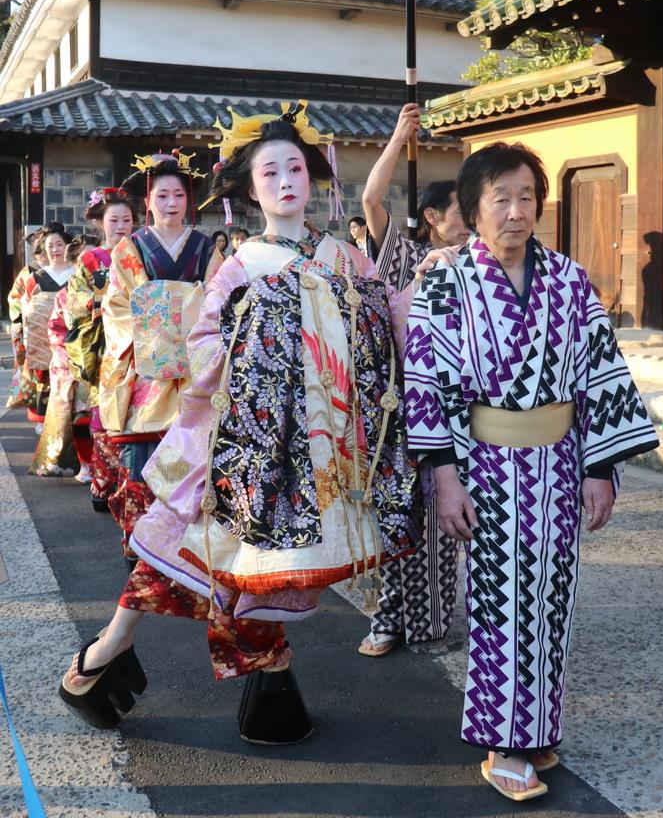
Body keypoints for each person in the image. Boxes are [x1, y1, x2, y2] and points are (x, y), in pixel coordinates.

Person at [59, 103, 436, 741]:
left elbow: (389, 320)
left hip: (318, 442)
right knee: (210, 548)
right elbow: (201, 342)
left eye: (296, 168)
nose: (286, 180)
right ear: (250, 189)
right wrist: (244, 353)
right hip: (243, 435)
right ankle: (115, 656)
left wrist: (423, 291)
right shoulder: (238, 262)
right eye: (270, 173)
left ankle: (139, 662)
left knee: (256, 560)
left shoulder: (342, 255)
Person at [404, 141, 658, 803]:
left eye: (525, 197)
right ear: (473, 208)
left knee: (552, 601)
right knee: (500, 602)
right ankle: (504, 741)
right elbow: (425, 380)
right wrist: (445, 477)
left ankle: (537, 726)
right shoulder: (446, 280)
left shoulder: (570, 280)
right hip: (485, 464)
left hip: (558, 463)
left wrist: (599, 467)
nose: (515, 212)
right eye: (500, 198)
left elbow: (600, 374)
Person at [358, 102, 471, 657]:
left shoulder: (476, 261)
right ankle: (387, 617)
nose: (470, 221)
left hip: (456, 409)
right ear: (432, 216)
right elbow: (371, 200)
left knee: (443, 516)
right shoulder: (403, 257)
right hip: (396, 406)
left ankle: (428, 623)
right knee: (396, 514)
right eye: (461, 212)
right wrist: (400, 136)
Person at [99, 151, 224, 562]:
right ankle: (140, 542)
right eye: (162, 195)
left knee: (192, 458)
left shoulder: (207, 249)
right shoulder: (129, 249)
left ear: (189, 199)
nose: (171, 203)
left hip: (193, 368)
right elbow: (118, 307)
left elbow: (219, 301)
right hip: (146, 371)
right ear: (147, 201)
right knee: (142, 460)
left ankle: (184, 545)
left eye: (178, 195)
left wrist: (183, 324)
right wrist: (157, 332)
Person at [65, 189, 139, 509]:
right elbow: (74, 304)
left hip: (138, 341)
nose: (121, 226)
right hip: (105, 343)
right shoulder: (90, 260)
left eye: (127, 219)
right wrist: (101, 302)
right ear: (100, 223)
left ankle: (132, 481)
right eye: (114, 220)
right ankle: (103, 480)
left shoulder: (142, 252)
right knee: (103, 411)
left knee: (136, 412)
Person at [30, 235, 99, 478]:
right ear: (74, 265)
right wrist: (70, 355)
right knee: (79, 418)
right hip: (74, 361)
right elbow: (56, 328)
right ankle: (86, 463)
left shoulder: (110, 290)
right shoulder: (65, 294)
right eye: (83, 261)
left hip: (105, 361)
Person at [21, 224, 74, 430]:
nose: (55, 249)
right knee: (46, 381)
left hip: (69, 338)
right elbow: (27, 307)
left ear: (67, 246)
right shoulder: (36, 278)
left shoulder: (76, 273)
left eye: (59, 244)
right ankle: (44, 421)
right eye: (50, 245)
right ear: (44, 249)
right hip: (43, 340)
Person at [6, 227, 50, 409]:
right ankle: (31, 403)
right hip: (32, 325)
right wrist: (27, 311)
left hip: (55, 324)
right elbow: (14, 297)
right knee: (31, 369)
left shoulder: (64, 268)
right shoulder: (28, 272)